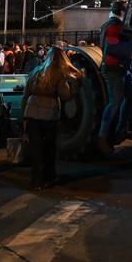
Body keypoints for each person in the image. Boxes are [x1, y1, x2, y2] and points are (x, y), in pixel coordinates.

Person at [21, 47, 81, 189]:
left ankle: (36, 181)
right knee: (49, 148)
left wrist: (23, 116)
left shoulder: (36, 71)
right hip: (49, 115)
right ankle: (49, 177)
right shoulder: (59, 75)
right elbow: (65, 96)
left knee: (35, 149)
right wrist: (74, 86)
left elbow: (26, 95)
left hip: (31, 112)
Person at [96, 1, 132, 155]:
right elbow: (112, 47)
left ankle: (121, 130)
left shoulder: (114, 25)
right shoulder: (113, 26)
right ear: (122, 12)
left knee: (131, 96)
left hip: (121, 68)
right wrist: (131, 54)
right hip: (114, 69)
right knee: (115, 102)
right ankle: (102, 137)